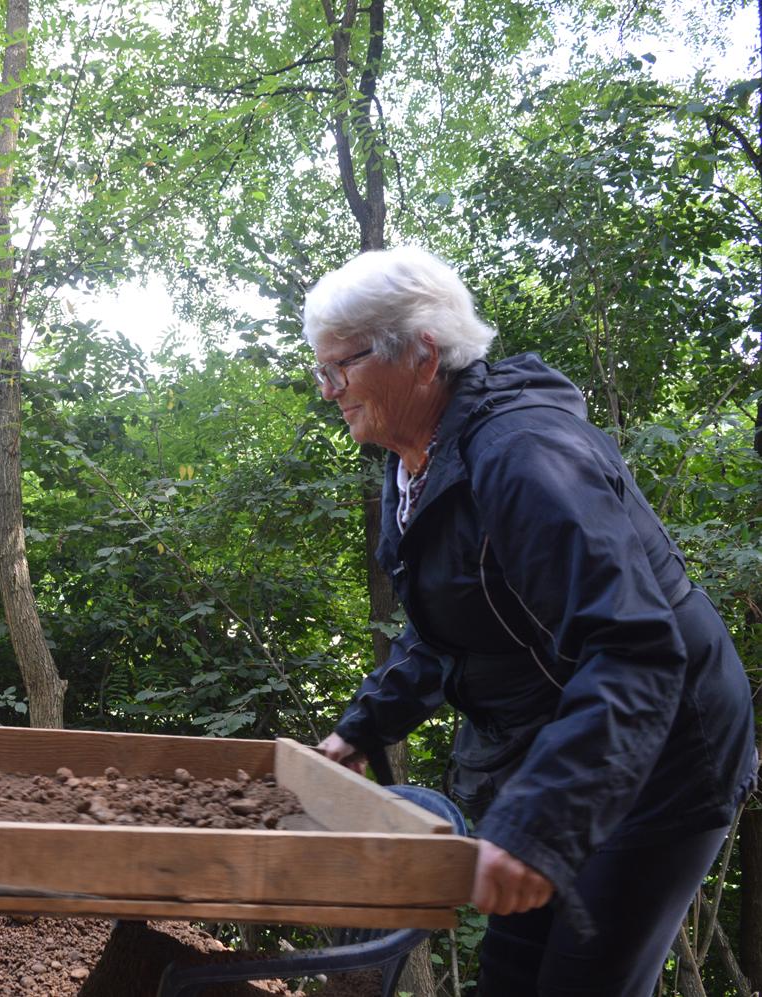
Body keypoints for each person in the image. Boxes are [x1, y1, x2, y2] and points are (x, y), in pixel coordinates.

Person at [303, 247, 757, 995]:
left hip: (666, 746)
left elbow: (635, 645)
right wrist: (361, 728)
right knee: (513, 973)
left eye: (340, 368)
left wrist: (541, 824)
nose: (329, 391)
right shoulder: (415, 460)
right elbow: (450, 625)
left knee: (585, 979)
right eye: (323, 372)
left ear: (420, 354)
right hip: (563, 737)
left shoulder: (525, 455)